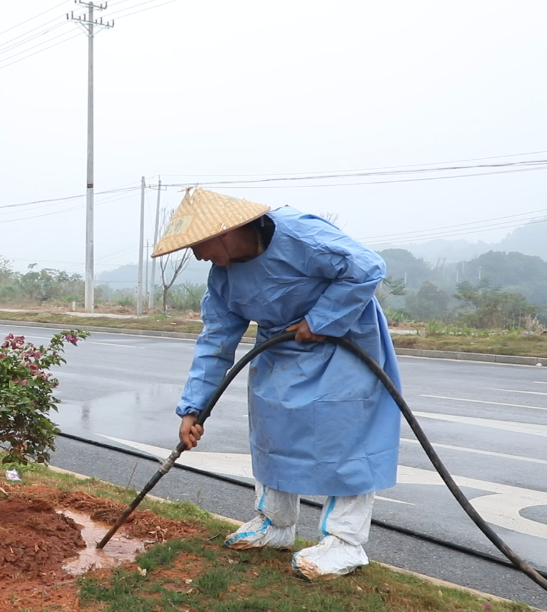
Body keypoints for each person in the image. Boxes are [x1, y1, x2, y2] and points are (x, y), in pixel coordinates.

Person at [153, 188, 401, 580]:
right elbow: (216, 341)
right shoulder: (223, 277)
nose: (197, 256)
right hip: (280, 348)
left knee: (346, 438)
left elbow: (367, 267)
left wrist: (320, 320)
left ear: (225, 231)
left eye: (198, 245)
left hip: (344, 343)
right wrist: (193, 407)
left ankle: (345, 542)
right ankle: (276, 523)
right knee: (274, 431)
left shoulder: (300, 236)